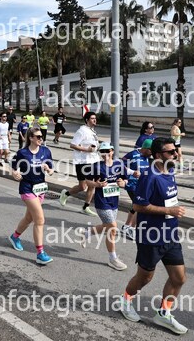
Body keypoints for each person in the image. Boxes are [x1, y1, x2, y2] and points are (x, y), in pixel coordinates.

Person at [120, 137, 188, 335]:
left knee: (179, 278)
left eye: (175, 150)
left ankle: (164, 313)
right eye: (170, 152)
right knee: (145, 278)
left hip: (170, 234)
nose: (175, 154)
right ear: (158, 155)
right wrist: (170, 211)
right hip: (151, 236)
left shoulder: (170, 171)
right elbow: (138, 206)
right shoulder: (149, 176)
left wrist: (172, 211)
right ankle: (125, 301)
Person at [81, 142, 135, 271]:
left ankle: (87, 233)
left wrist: (124, 183)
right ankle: (113, 258)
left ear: (112, 151)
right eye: (102, 151)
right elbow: (87, 181)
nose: (105, 154)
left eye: (107, 151)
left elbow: (125, 179)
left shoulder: (118, 164)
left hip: (114, 201)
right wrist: (97, 185)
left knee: (108, 227)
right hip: (102, 202)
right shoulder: (96, 166)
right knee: (113, 228)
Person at [8, 127, 54, 265]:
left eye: (42, 136)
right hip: (27, 188)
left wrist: (48, 169)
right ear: (31, 138)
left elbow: (51, 170)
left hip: (40, 189)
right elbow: (13, 167)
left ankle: (14, 236)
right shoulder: (22, 153)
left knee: (29, 218)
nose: (41, 139)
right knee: (39, 220)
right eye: (38, 136)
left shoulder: (46, 151)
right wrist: (15, 174)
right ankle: (40, 253)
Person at [59, 112, 99, 216]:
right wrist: (87, 149)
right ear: (87, 120)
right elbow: (72, 145)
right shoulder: (82, 131)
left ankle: (86, 207)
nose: (95, 120)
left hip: (93, 161)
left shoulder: (92, 131)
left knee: (92, 185)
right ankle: (66, 194)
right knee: (82, 187)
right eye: (92, 118)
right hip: (83, 162)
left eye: (95, 118)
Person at [121, 139, 153, 240]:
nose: (152, 153)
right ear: (146, 148)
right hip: (132, 184)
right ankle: (132, 229)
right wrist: (132, 172)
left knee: (136, 206)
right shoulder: (132, 155)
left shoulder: (148, 157)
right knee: (140, 206)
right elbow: (120, 165)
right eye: (151, 150)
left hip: (142, 185)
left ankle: (126, 226)